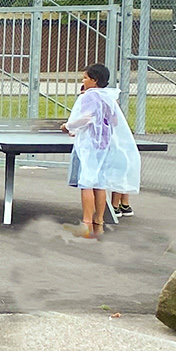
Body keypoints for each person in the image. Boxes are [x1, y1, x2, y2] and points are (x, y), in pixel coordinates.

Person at [61, 63, 140, 239]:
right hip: (104, 145)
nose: (83, 81)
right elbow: (114, 121)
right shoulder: (109, 97)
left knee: (86, 183)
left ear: (94, 80)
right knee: (99, 183)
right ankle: (99, 221)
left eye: (85, 78)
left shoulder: (88, 97)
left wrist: (67, 126)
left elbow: (86, 118)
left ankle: (86, 222)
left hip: (90, 144)